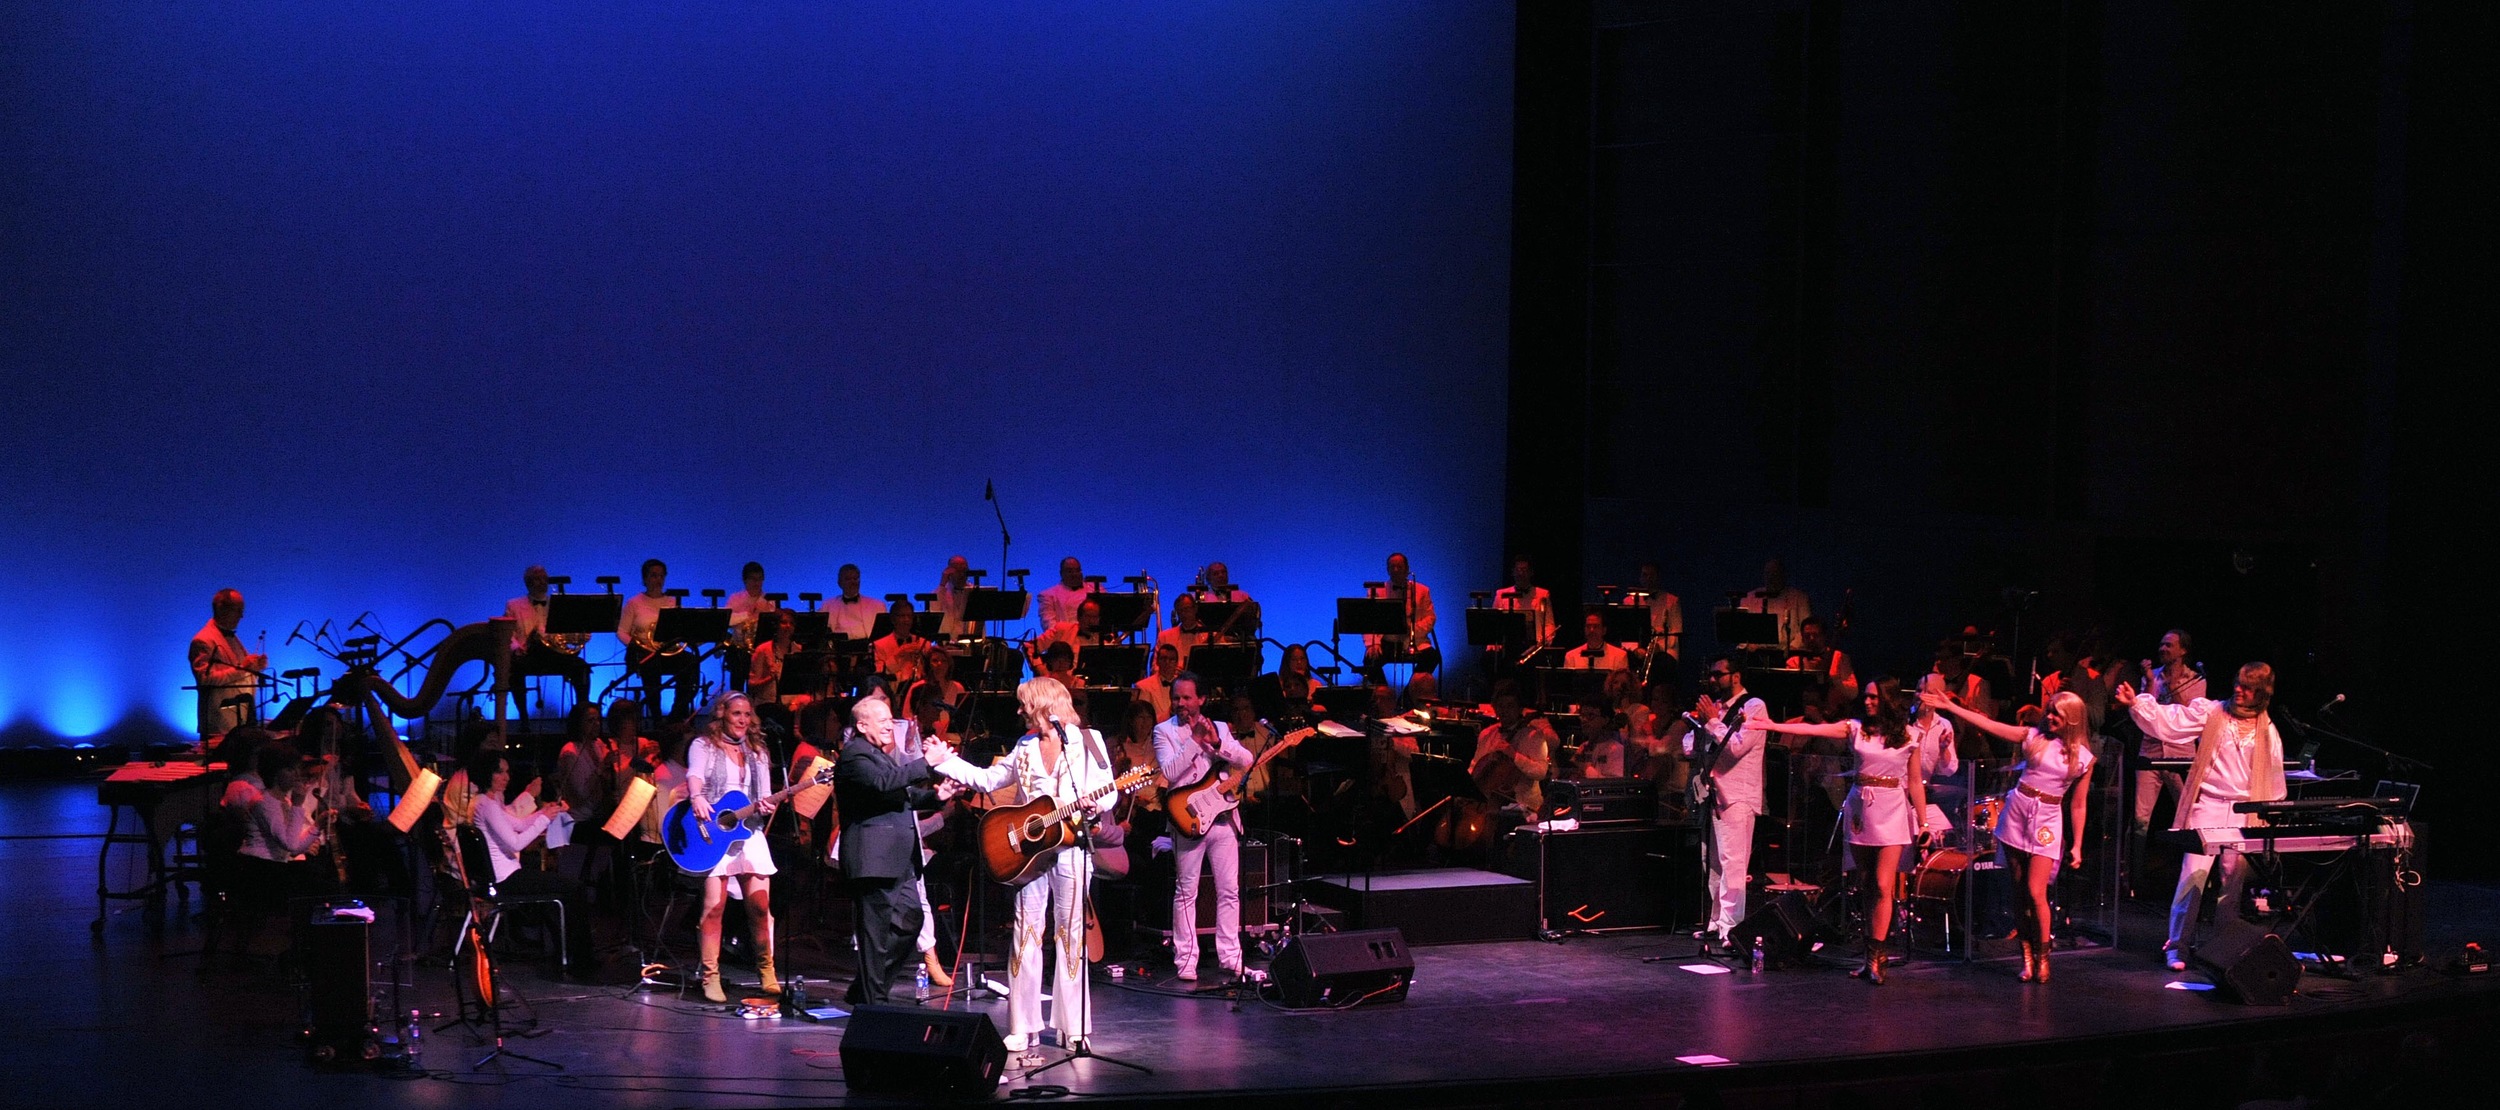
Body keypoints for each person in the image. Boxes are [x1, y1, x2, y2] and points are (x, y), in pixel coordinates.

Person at [929, 678, 1116, 1056]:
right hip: (1029, 855)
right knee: (1026, 933)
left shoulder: (1088, 740)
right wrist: (946, 761)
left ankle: (1073, 1027)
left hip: (1070, 848)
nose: (1018, 711)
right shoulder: (1025, 746)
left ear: (1043, 706)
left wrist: (1097, 805)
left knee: (1070, 936)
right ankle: (1022, 1026)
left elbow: (1109, 789)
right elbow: (988, 780)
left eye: (1023, 705)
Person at [2116, 662, 2286, 973]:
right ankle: (2177, 945)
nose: (2238, 689)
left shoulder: (2268, 731)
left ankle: (2220, 947)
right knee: (2192, 877)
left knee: (2231, 883)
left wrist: (2267, 816)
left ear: (2260, 694)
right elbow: (2172, 721)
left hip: (2243, 812)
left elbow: (2273, 781)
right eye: (2237, 683)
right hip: (2208, 805)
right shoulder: (2212, 712)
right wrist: (2138, 702)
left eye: (2247, 687)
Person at [1758, 677, 1930, 983]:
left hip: (1892, 808)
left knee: (1881, 883)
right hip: (1861, 809)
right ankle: (1869, 956)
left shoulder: (1909, 735)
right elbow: (1813, 729)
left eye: (1875, 697)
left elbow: (1915, 781)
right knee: (1864, 883)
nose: (1868, 702)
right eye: (1866, 696)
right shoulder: (1856, 729)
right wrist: (1771, 726)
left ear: (1888, 700)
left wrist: (1924, 820)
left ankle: (1878, 957)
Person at [1924, 688, 2094, 983]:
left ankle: (2044, 956)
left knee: (2035, 891)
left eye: (2057, 714)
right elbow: (1990, 725)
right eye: (2049, 711)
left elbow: (2078, 804)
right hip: (2017, 813)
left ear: (2073, 720)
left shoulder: (2084, 758)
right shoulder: (2033, 738)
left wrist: (2078, 844)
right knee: (2017, 890)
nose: (2050, 717)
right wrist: (1951, 706)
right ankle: (2026, 956)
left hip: (2047, 820)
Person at [834, 694, 954, 1006]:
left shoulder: (878, 755)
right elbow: (884, 783)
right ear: (862, 725)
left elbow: (901, 793)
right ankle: (874, 1003)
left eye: (891, 719)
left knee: (911, 920)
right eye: (883, 720)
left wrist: (937, 797)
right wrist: (927, 763)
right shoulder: (854, 756)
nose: (890, 725)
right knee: (874, 935)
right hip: (873, 858)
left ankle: (866, 988)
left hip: (900, 860)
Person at [1153, 672, 1256, 981]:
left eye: (1186, 697)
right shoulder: (1164, 731)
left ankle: (1231, 956)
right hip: (1189, 818)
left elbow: (1247, 760)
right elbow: (1170, 772)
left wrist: (1217, 742)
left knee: (1229, 891)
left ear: (1201, 699)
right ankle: (1186, 960)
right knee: (1186, 891)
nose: (1180, 703)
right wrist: (1195, 741)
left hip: (1223, 819)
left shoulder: (1221, 728)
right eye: (1176, 698)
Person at [683, 692, 782, 1002]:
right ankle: (710, 975)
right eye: (736, 713)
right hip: (715, 833)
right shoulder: (704, 746)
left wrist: (766, 806)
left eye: (747, 714)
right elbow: (695, 775)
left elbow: (764, 796)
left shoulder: (758, 752)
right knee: (714, 907)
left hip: (748, 831)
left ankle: (767, 969)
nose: (742, 720)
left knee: (760, 905)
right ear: (723, 714)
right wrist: (697, 797)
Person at [467, 746, 594, 973]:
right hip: (506, 880)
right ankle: (580, 957)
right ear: (488, 774)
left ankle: (567, 951)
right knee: (574, 888)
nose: (507, 777)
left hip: (505, 875)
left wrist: (547, 812)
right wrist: (544, 820)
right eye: (500, 772)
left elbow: (517, 824)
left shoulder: (488, 801)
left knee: (561, 888)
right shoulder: (486, 805)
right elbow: (516, 843)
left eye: (507, 771)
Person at [1687, 656, 1769, 948]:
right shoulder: (1717, 710)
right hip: (1714, 795)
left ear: (1735, 676)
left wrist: (1711, 721)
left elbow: (1735, 748)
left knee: (1733, 864)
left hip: (1738, 796)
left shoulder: (1754, 707)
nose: (1712, 680)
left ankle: (1732, 929)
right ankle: (1716, 922)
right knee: (1713, 865)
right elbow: (1687, 745)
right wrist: (1701, 722)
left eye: (1717, 674)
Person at [2127, 629, 2207, 893]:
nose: (2163, 648)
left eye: (2169, 645)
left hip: (2180, 756)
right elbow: (2144, 707)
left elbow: (2190, 714)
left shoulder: (2196, 679)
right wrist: (2149, 681)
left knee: (2188, 815)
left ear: (2183, 650)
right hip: (2150, 753)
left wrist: (2171, 687)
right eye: (2161, 644)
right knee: (2140, 820)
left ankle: (2190, 878)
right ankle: (2134, 880)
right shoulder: (2154, 676)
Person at [618, 559, 699, 720]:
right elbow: (622, 631)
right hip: (646, 652)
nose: (658, 580)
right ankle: (656, 717)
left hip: (668, 651)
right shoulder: (634, 603)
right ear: (645, 578)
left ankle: (676, 714)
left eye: (662, 576)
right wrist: (637, 646)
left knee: (692, 662)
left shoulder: (672, 601)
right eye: (654, 576)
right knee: (651, 664)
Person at [505, 565, 593, 709]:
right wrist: (516, 648)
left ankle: (583, 711)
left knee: (581, 667)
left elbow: (568, 631)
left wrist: (579, 636)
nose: (543, 582)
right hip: (528, 655)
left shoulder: (558, 603)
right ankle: (523, 718)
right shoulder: (514, 605)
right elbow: (508, 634)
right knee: (514, 669)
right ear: (528, 583)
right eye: (538, 578)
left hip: (555, 655)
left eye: (545, 578)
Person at [190, 588, 266, 741]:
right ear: (220, 607)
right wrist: (244, 668)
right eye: (237, 610)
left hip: (242, 720)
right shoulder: (203, 640)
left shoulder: (232, 637)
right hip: (220, 724)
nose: (241, 616)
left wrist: (255, 669)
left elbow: (239, 673)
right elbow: (205, 679)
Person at [1361, 552, 1439, 683]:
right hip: (1388, 641)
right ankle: (1385, 695)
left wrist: (1411, 629)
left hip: (1414, 640)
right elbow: (1369, 619)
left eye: (1399, 566)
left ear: (1407, 569)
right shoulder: (1378, 591)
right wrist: (1372, 644)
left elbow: (1430, 618)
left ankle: (1409, 694)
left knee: (1432, 657)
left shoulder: (1422, 590)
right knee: (1370, 661)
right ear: (1387, 570)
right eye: (1392, 567)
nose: (1396, 570)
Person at [1786, 616, 1860, 720]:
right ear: (1802, 638)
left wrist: (1834, 679)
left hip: (1834, 717)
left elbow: (1853, 693)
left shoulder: (1838, 657)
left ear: (1824, 636)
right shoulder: (1794, 661)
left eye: (1816, 635)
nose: (1811, 639)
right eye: (1807, 636)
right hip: (1803, 717)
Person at [726, 561, 777, 694]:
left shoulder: (769, 600)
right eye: (753, 579)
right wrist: (748, 615)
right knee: (738, 664)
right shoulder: (735, 598)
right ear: (745, 580)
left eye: (760, 579)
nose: (757, 583)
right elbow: (727, 620)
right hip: (740, 648)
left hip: (761, 648)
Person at [1740, 558, 1812, 650]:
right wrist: (1748, 644)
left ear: (1784, 576)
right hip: (1756, 652)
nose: (1771, 578)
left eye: (1775, 574)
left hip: (1789, 651)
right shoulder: (1750, 598)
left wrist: (1793, 647)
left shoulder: (1799, 598)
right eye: (1768, 574)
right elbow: (1742, 630)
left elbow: (1807, 629)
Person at [1492, 558, 1556, 656]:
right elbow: (1494, 623)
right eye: (1518, 570)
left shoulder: (1543, 594)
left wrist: (1544, 640)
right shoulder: (1501, 594)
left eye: (1524, 570)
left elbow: (1549, 624)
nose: (1521, 574)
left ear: (1531, 573)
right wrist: (1492, 644)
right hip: (1507, 647)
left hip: (1534, 648)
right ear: (1512, 572)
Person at [1191, 562, 1262, 642]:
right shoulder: (1198, 597)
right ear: (1208, 578)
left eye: (1223, 572)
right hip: (1210, 642)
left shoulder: (1242, 596)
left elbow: (1253, 619)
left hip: (1238, 642)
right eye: (1216, 573)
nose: (1221, 575)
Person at [871, 600, 926, 684]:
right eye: (902, 616)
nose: (906, 620)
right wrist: (899, 654)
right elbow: (881, 673)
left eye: (909, 616)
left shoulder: (923, 642)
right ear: (893, 619)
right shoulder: (879, 645)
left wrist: (922, 658)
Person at [826, 564, 882, 644]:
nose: (853, 582)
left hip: (867, 650)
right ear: (839, 583)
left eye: (855, 579)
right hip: (839, 651)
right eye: (848, 579)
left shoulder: (877, 605)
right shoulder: (828, 605)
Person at [748, 612, 793, 705]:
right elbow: (752, 687)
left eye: (792, 623)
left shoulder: (798, 650)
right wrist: (769, 678)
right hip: (768, 703)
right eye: (784, 622)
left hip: (793, 704)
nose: (788, 626)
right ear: (776, 626)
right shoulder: (763, 650)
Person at [1038, 557, 1096, 628]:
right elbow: (1048, 624)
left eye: (1077, 570)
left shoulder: (1094, 588)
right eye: (1070, 571)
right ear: (1061, 574)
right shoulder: (1048, 595)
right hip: (1067, 636)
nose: (1075, 574)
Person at [1563, 611, 1630, 671]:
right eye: (1588, 626)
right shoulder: (1571, 656)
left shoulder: (1619, 656)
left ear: (1604, 630)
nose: (1591, 630)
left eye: (1596, 626)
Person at [1158, 593, 1211, 668]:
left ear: (1195, 609)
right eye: (1180, 611)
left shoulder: (1210, 635)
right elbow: (1156, 667)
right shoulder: (1164, 637)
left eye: (1187, 609)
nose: (1183, 613)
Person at [1134, 642, 1182, 722]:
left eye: (1171, 659)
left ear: (1176, 663)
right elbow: (1145, 721)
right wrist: (1170, 713)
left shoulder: (1183, 685)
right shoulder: (1144, 686)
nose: (1167, 663)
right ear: (1157, 662)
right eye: (1163, 659)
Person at [934, 555, 974, 636]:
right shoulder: (941, 592)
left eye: (964, 570)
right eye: (957, 570)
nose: (962, 574)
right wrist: (942, 584)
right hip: (947, 644)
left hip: (971, 642)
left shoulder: (973, 592)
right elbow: (934, 611)